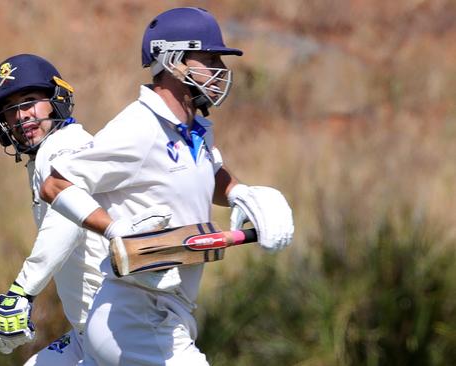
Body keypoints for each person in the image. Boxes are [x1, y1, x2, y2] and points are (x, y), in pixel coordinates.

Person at [40, 7, 294, 366]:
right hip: (133, 316)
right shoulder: (140, 127)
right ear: (173, 60)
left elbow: (207, 169)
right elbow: (55, 183)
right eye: (209, 58)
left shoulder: (194, 130)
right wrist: (115, 229)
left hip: (169, 314)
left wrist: (241, 192)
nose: (220, 69)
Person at [0, 53, 113, 365]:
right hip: (89, 331)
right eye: (9, 111)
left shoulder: (61, 148)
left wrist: (21, 292)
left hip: (117, 326)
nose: (21, 116)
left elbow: (67, 220)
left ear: (57, 100)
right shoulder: (45, 156)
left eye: (29, 101)